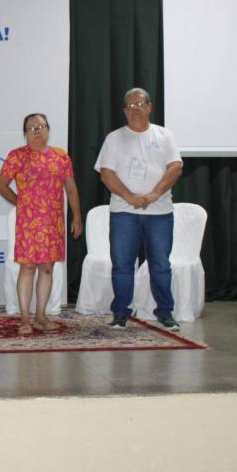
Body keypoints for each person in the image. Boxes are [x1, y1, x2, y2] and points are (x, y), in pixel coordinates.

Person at [95, 88, 183, 331]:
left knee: (160, 265)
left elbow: (175, 168)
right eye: (130, 105)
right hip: (124, 211)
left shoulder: (164, 135)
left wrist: (154, 194)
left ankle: (165, 313)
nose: (135, 109)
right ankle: (120, 313)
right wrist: (129, 196)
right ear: (124, 110)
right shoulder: (114, 138)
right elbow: (106, 173)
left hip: (160, 212)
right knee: (122, 265)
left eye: (140, 104)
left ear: (150, 107)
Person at [0, 113, 83, 335]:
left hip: (53, 222)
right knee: (27, 267)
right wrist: (19, 202)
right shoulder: (17, 156)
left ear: (48, 129)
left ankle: (41, 316)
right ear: (25, 133)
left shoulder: (61, 156)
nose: (37, 131)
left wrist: (77, 216)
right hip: (28, 223)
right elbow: (1, 185)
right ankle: (25, 318)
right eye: (31, 128)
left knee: (47, 268)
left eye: (41, 126)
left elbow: (71, 189)